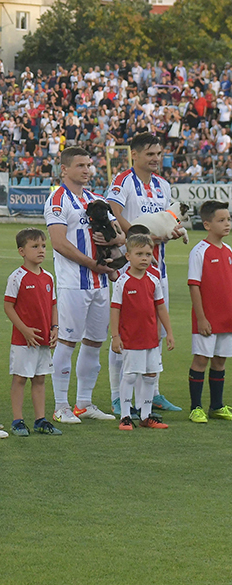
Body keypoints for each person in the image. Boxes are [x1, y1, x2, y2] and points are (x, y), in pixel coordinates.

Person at [107, 132, 183, 414]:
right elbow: (112, 211)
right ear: (134, 155)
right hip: (129, 270)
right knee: (125, 333)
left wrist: (171, 232)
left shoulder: (163, 185)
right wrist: (139, 237)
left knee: (157, 330)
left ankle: (153, 394)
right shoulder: (123, 180)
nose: (155, 159)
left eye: (158, 154)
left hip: (156, 268)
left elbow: (167, 220)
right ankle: (118, 397)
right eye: (149, 154)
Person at [46, 147, 121, 425]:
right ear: (64, 169)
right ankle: (61, 405)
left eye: (89, 165)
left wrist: (111, 242)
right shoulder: (57, 198)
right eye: (80, 165)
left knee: (93, 343)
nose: (87, 170)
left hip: (101, 282)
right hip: (73, 283)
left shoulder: (96, 199)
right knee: (67, 342)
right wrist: (91, 263)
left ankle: (84, 403)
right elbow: (58, 242)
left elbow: (121, 235)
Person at [110, 233, 176, 430]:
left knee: (150, 376)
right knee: (130, 376)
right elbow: (115, 310)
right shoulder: (122, 282)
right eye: (139, 254)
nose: (145, 258)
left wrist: (169, 333)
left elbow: (161, 308)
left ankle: (146, 416)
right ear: (128, 256)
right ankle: (125, 416)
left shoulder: (154, 280)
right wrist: (115, 336)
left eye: (148, 254)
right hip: (131, 338)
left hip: (151, 339)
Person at [2, 228, 62, 437]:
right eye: (34, 246)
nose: (41, 250)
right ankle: (17, 420)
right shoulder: (17, 277)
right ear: (22, 251)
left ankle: (40, 420)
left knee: (40, 378)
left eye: (43, 246)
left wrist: (55, 328)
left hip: (43, 339)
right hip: (23, 340)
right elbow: (8, 306)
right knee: (20, 378)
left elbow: (53, 305)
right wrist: (25, 330)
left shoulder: (48, 277)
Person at [186, 200, 232, 423]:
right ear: (207, 224)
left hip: (227, 318)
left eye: (228, 219)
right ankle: (196, 407)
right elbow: (194, 285)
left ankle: (216, 405)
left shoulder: (229, 251)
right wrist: (201, 318)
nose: (227, 224)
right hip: (207, 319)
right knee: (201, 359)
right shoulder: (200, 251)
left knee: (220, 361)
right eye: (221, 220)